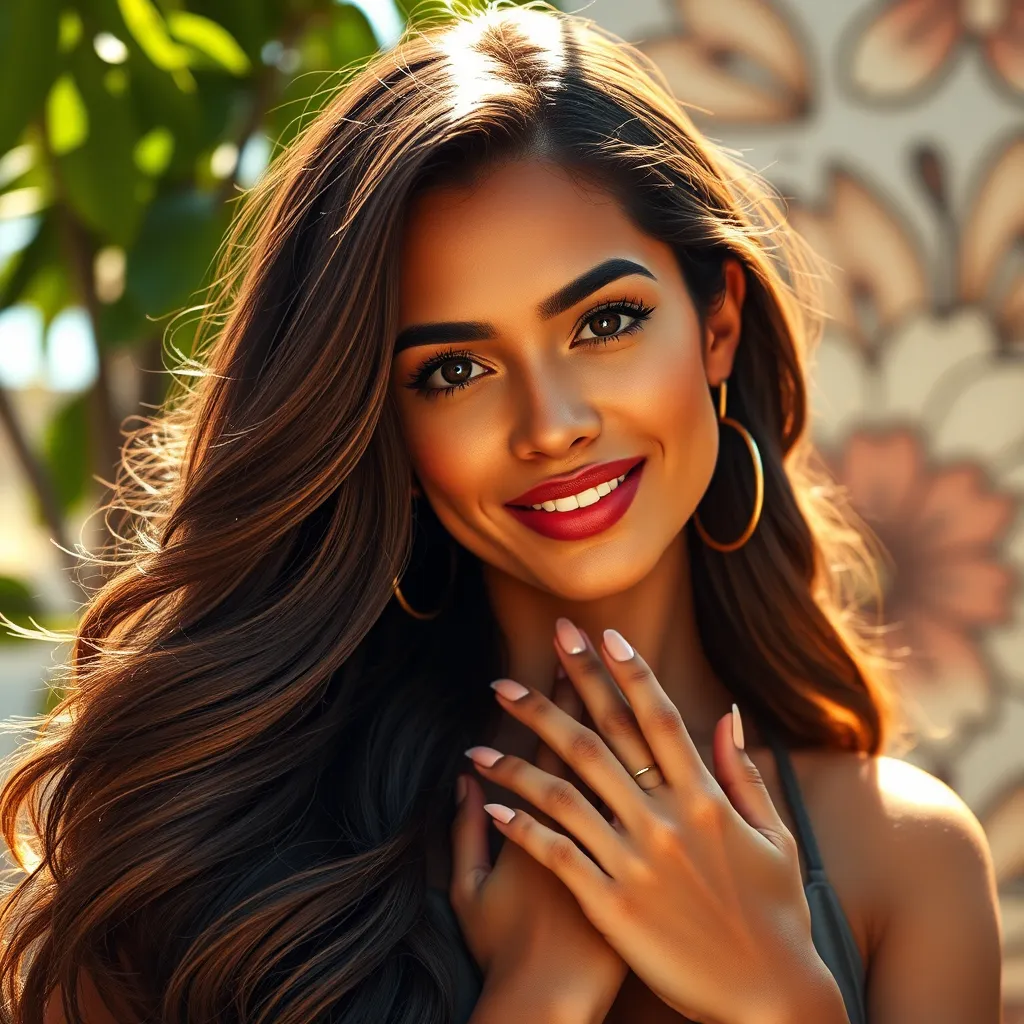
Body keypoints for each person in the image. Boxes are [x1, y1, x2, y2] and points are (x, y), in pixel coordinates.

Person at [1, 2, 1002, 1022]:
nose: (550, 424)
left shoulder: (904, 863)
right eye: (454, 369)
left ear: (717, 326)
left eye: (604, 322)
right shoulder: (206, 860)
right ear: (380, 423)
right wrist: (538, 992)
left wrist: (785, 1001)